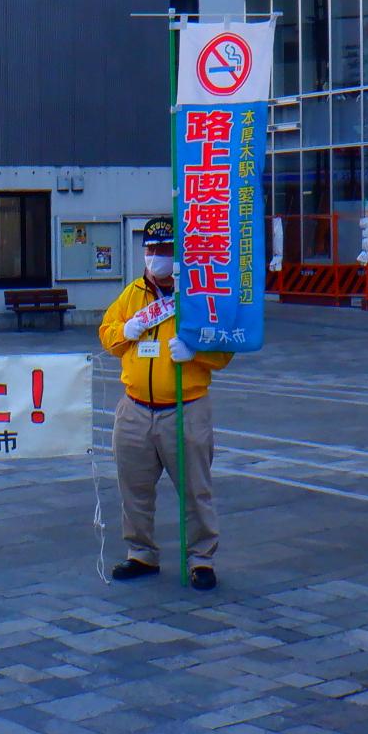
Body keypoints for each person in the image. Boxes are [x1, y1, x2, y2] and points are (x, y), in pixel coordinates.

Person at [97, 216, 231, 591]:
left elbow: (224, 351)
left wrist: (196, 352)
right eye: (152, 250)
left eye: (166, 250)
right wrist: (125, 331)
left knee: (195, 490)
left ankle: (201, 558)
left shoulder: (200, 295)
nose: (157, 257)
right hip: (135, 408)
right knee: (134, 488)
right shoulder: (133, 294)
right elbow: (107, 336)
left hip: (185, 409)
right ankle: (141, 553)